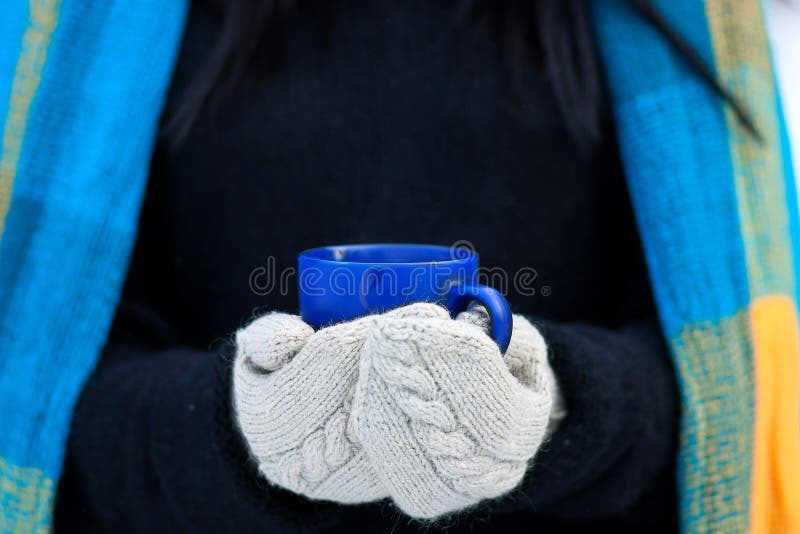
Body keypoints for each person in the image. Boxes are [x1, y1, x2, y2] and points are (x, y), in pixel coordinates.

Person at [1, 0, 796, 532]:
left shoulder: (690, 22)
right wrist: (240, 421)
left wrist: (551, 409)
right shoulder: (77, 33)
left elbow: (727, 399)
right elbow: (44, 404)